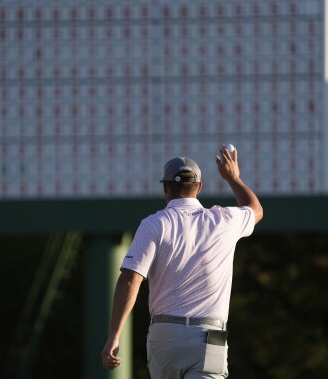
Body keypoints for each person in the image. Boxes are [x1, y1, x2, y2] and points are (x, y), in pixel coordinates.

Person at [101, 146, 263, 378]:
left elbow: (130, 279)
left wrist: (114, 335)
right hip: (209, 335)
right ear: (199, 188)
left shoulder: (154, 224)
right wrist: (233, 178)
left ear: (166, 188)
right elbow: (255, 210)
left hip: (164, 334)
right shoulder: (224, 220)